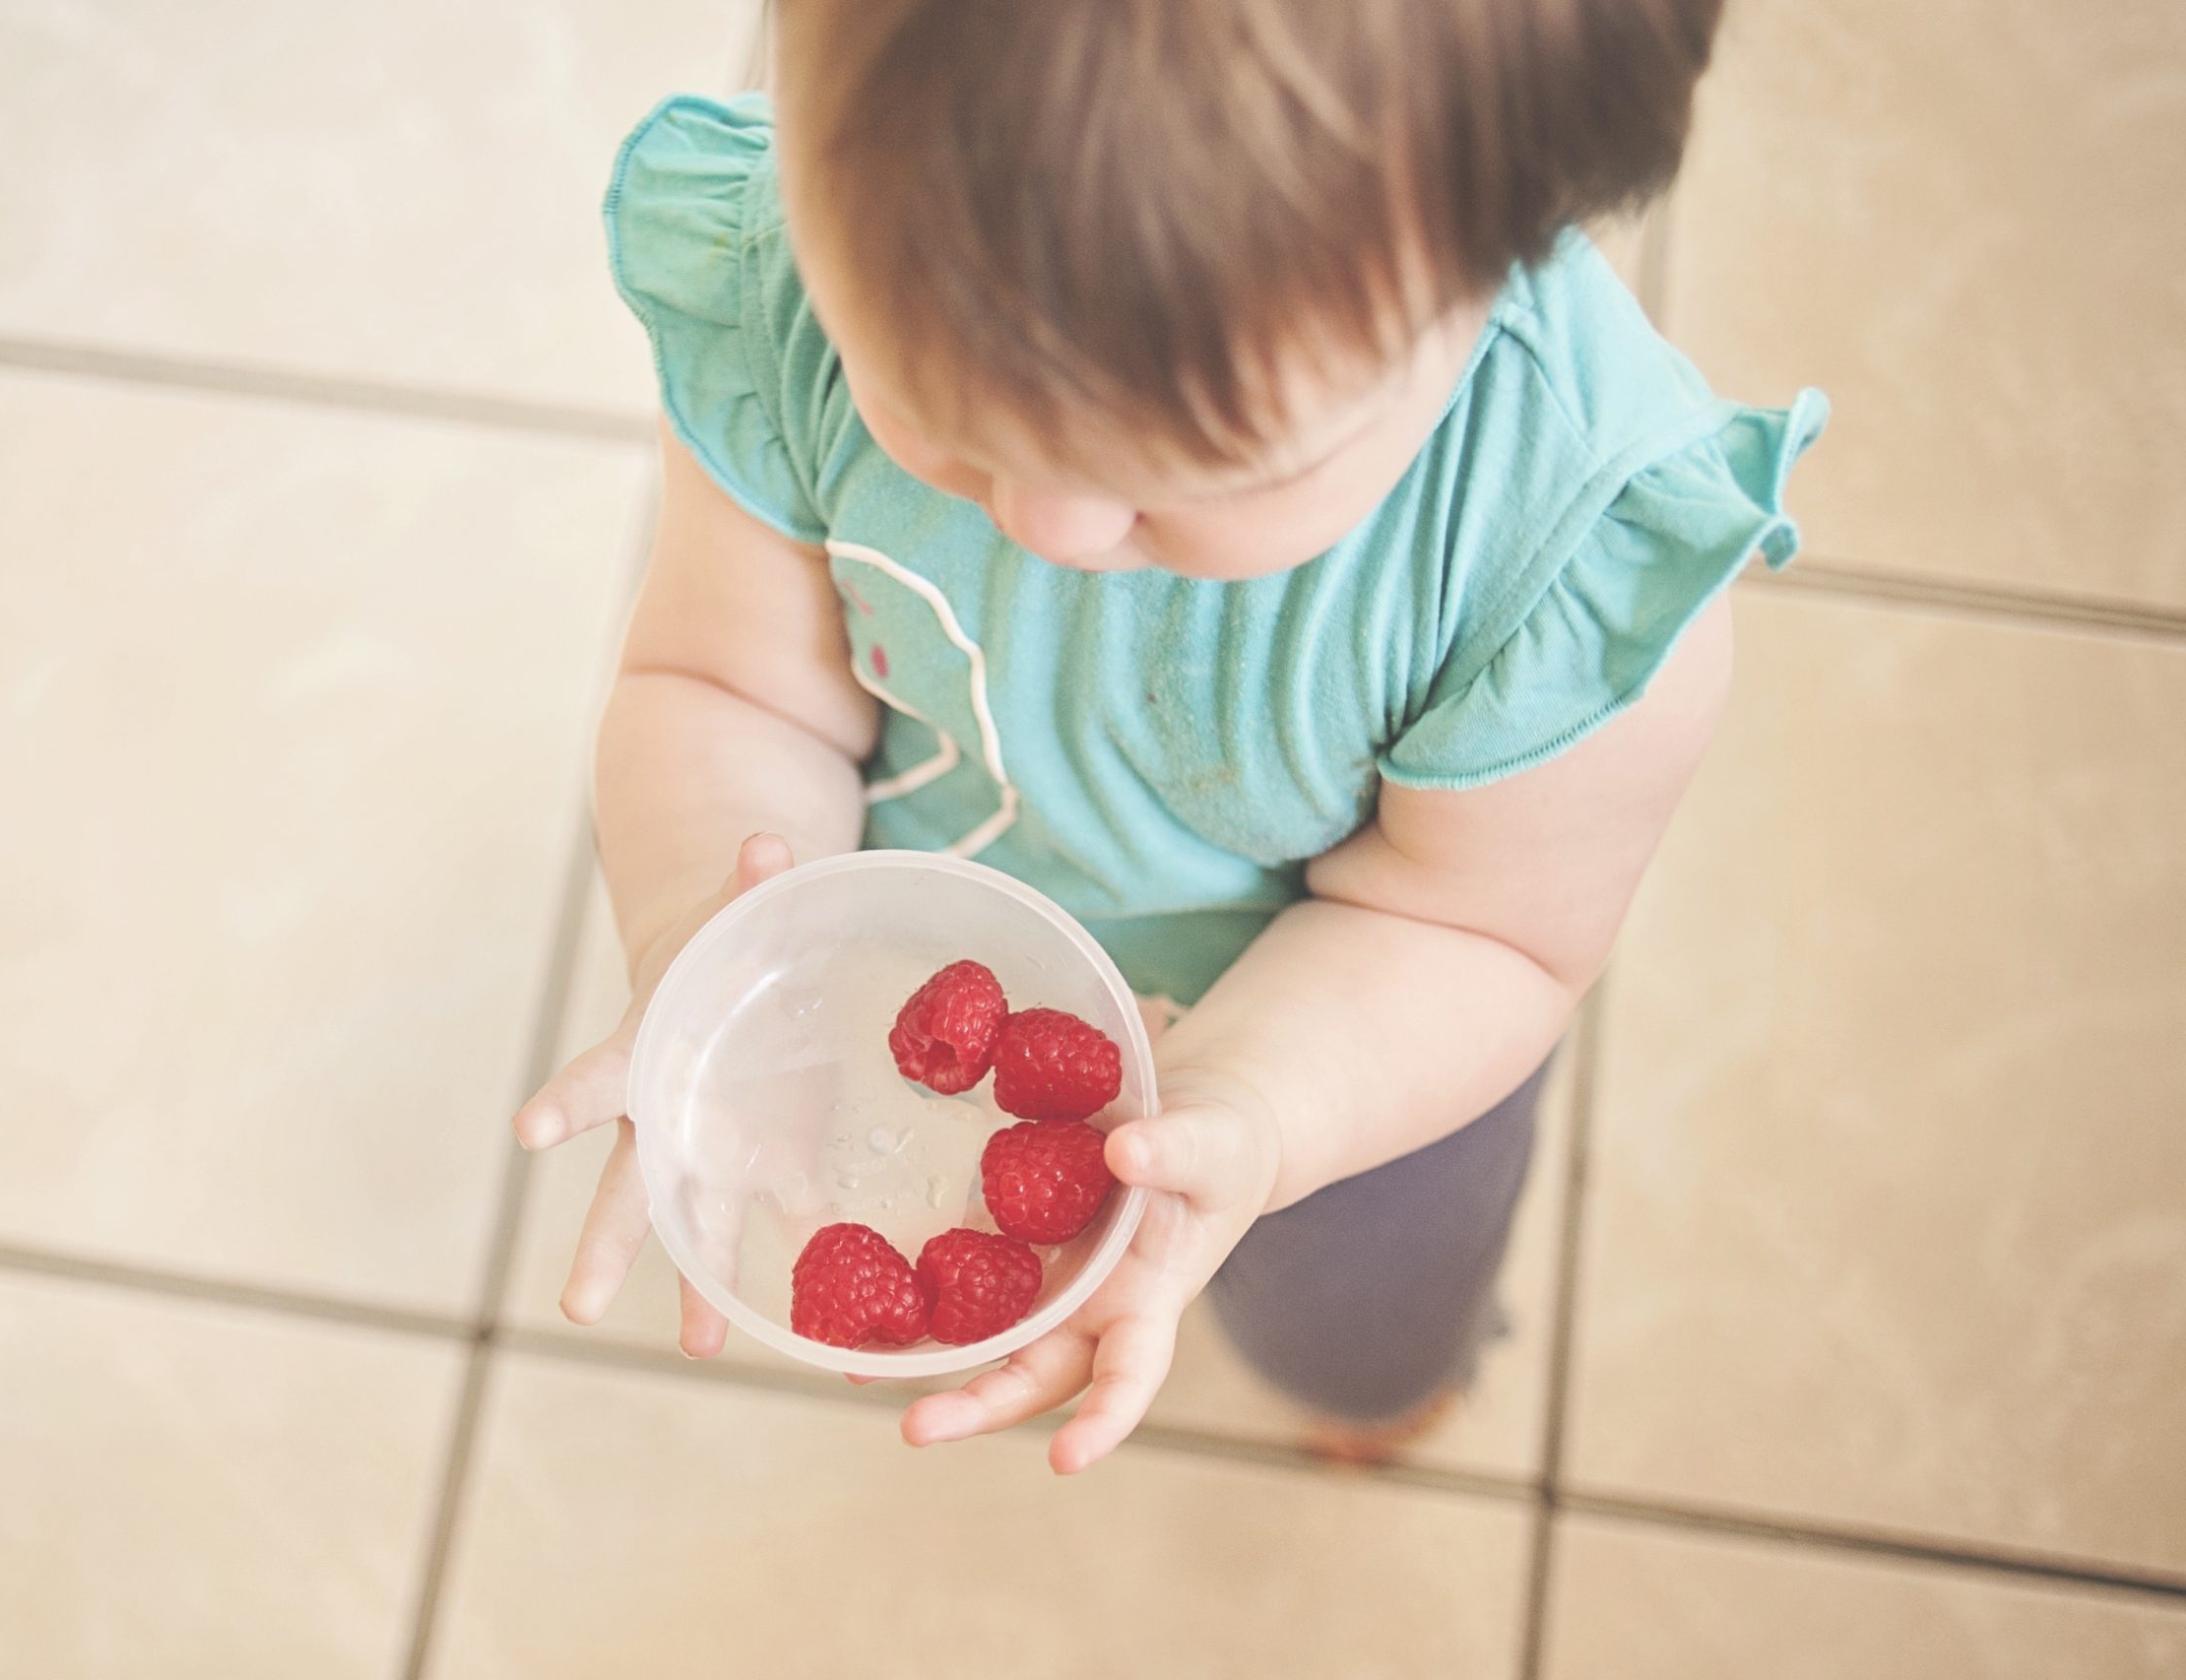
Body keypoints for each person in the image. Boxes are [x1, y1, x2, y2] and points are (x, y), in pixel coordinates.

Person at [512, 0, 1825, 1473]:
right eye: (942, 410)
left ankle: (1379, 1387)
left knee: (1359, 1314)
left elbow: (1485, 931)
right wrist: (710, 941)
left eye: (1189, 475)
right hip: (944, 952)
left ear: (1508, 246)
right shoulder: (801, 285)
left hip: (1351, 1046)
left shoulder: (1563, 549)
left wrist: (1257, 1111)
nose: (1049, 523)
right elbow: (732, 687)